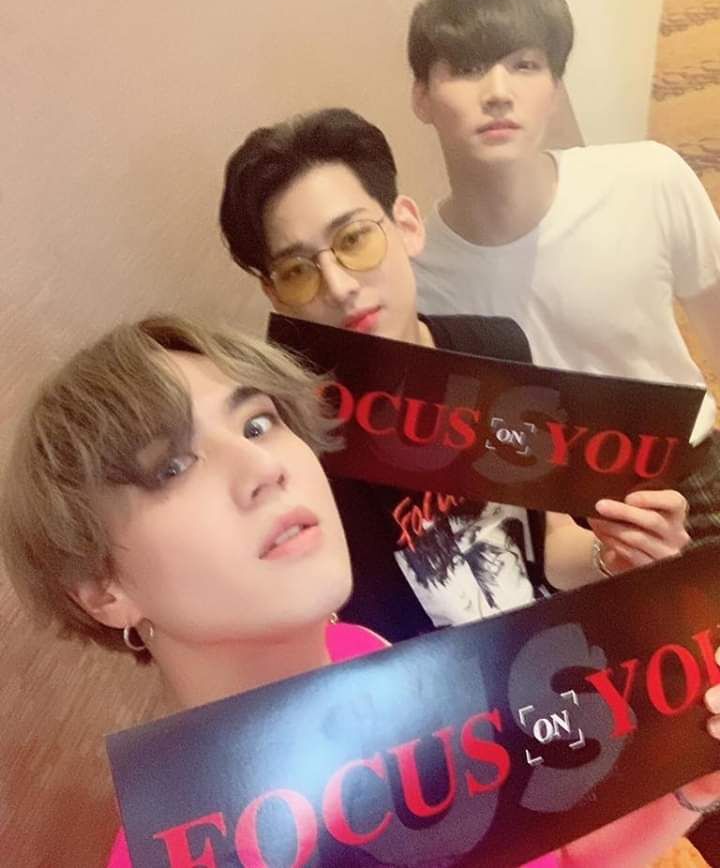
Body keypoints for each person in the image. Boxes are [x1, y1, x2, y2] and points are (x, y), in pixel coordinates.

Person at [2, 314, 720, 868]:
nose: (262, 466)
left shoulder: (361, 650)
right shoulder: (180, 851)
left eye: (259, 422)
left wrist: (689, 778)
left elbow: (549, 856)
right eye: (170, 467)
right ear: (103, 590)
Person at [219, 106, 690, 644]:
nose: (339, 286)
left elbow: (550, 544)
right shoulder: (299, 441)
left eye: (353, 240)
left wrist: (614, 554)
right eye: (298, 271)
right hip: (435, 692)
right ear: (275, 294)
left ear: (407, 226)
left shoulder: (495, 352)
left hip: (560, 647)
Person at [407, 0, 720, 545]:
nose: (497, 91)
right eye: (468, 68)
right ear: (421, 96)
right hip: (551, 530)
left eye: (524, 64)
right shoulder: (415, 279)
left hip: (692, 473)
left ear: (554, 86)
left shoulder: (647, 179)